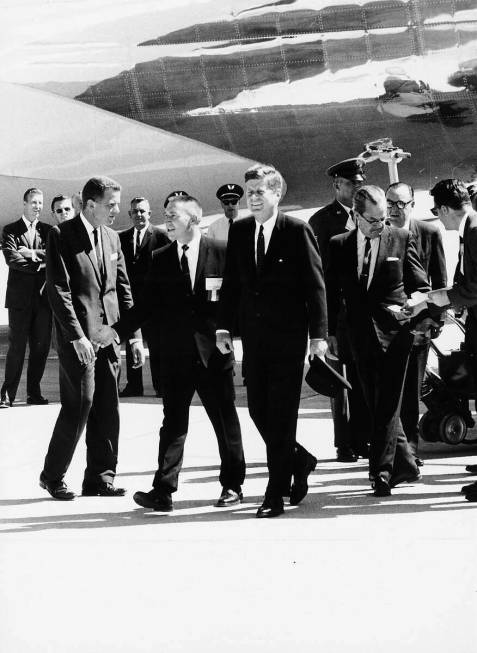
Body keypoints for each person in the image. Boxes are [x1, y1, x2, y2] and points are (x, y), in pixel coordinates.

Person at [95, 195, 246, 511]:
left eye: (173, 215)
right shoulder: (161, 257)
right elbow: (147, 305)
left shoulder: (221, 252)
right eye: (165, 215)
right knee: (173, 423)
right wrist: (117, 331)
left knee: (224, 421)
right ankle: (163, 490)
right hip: (176, 355)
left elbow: (236, 301)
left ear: (193, 219)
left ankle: (232, 486)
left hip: (213, 353)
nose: (167, 221)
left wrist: (229, 332)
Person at [216, 164, 328, 518]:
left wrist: (318, 337)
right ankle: (299, 459)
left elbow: (315, 287)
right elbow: (231, 283)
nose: (252, 199)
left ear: (277, 194)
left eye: (259, 192)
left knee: (281, 417)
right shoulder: (241, 230)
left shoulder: (296, 230)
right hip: (254, 339)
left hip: (289, 341)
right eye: (250, 193)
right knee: (258, 410)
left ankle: (274, 493)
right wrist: (224, 328)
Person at [39, 176, 144, 500]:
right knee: (80, 404)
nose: (116, 210)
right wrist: (77, 336)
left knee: (107, 407)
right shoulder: (62, 234)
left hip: (109, 338)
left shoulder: (113, 239)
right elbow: (59, 290)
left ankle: (100, 478)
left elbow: (123, 290)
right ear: (90, 204)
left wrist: (134, 336)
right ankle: (52, 475)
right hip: (79, 341)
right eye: (110, 204)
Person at [326, 185, 431, 496]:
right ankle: (407, 465)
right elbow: (331, 293)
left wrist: (414, 305)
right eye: (373, 220)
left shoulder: (399, 237)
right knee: (375, 402)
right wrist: (329, 332)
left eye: (384, 218)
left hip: (397, 333)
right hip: (359, 335)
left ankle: (381, 472)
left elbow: (420, 285)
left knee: (387, 403)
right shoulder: (339, 245)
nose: (380, 225)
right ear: (357, 216)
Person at [404, 180, 477, 501]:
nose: (437, 217)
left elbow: (473, 289)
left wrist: (430, 299)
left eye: (436, 210)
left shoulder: (475, 230)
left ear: (446, 209)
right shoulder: (470, 229)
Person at [308, 158, 370, 462]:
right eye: (351, 185)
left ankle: (363, 438)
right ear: (337, 186)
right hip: (337, 314)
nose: (357, 189)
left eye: (361, 184)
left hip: (365, 313)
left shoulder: (369, 215)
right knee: (340, 382)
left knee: (363, 379)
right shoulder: (322, 221)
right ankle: (344, 442)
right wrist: (325, 327)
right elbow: (318, 276)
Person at [386, 182, 447, 466]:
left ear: (412, 205)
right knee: (392, 391)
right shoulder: (384, 233)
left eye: (401, 204)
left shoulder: (429, 232)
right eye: (391, 203)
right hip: (389, 325)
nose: (395, 209)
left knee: (412, 390)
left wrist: (435, 320)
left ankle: (410, 452)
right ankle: (397, 451)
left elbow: (440, 279)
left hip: (419, 325)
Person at [0, 188, 52, 408]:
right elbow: (12, 259)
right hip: (20, 301)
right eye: (33, 202)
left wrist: (30, 253)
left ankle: (34, 393)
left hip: (43, 300)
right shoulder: (11, 230)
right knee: (17, 348)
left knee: (40, 348)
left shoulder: (48, 230)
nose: (37, 207)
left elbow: (53, 258)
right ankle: (6, 394)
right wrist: (41, 262)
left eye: (40, 203)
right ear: (24, 203)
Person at [118, 197, 169, 397]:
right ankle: (134, 385)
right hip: (131, 302)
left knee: (156, 345)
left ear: (149, 214)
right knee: (133, 344)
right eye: (135, 212)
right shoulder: (121, 238)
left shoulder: (161, 236)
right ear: (130, 215)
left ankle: (160, 385)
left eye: (142, 211)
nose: (139, 215)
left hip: (154, 303)